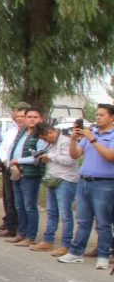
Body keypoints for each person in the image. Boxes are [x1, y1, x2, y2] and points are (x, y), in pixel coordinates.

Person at [58, 104, 114, 268]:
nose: (98, 117)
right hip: (84, 182)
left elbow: (109, 156)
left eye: (102, 115)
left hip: (104, 184)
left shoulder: (109, 135)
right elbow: (75, 154)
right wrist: (73, 140)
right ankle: (76, 252)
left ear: (112, 117)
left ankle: (103, 255)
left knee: (103, 222)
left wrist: (92, 139)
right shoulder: (92, 133)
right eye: (97, 114)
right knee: (83, 220)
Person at [31, 123, 79, 256]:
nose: (46, 141)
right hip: (52, 179)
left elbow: (70, 160)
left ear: (50, 132)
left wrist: (50, 156)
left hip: (66, 179)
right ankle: (48, 240)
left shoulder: (66, 140)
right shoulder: (51, 144)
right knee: (51, 212)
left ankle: (66, 244)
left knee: (65, 214)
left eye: (45, 138)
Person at [6, 107, 48, 246]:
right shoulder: (22, 132)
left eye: (35, 117)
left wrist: (18, 160)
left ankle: (30, 236)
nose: (31, 119)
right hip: (17, 172)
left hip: (30, 174)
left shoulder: (41, 135)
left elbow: (37, 157)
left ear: (40, 119)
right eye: (29, 117)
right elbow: (12, 149)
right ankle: (21, 233)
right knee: (19, 205)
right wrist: (11, 162)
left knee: (29, 206)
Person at [0, 104, 29, 238]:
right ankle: (10, 226)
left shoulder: (29, 133)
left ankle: (22, 228)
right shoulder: (11, 132)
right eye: (17, 116)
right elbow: (3, 148)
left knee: (20, 200)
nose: (19, 118)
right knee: (8, 197)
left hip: (23, 168)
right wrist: (5, 161)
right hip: (8, 167)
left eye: (22, 116)